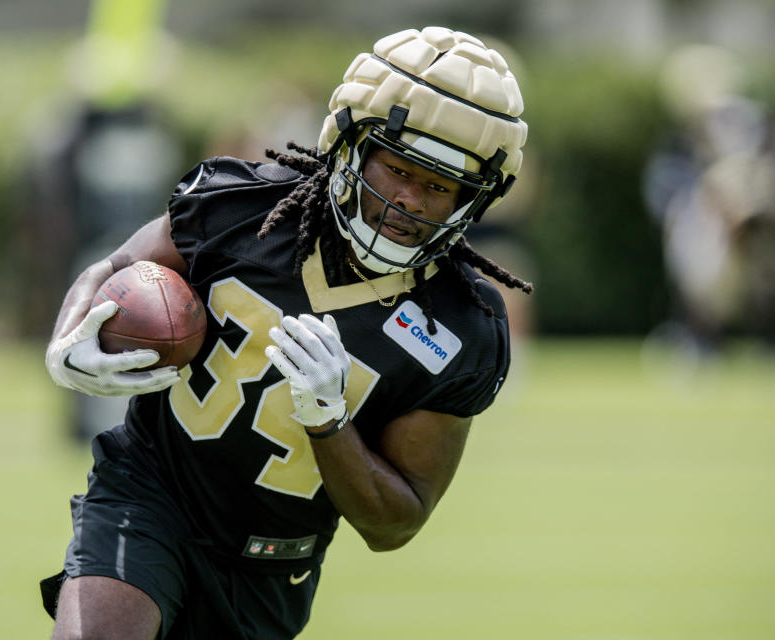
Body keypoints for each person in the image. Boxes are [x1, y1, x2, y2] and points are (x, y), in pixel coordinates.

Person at [40, 26, 532, 640]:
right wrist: (68, 343)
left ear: (475, 198)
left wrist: (330, 420)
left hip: (271, 563)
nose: (409, 200)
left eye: (440, 186)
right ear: (348, 143)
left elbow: (394, 524)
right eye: (398, 167)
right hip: (148, 492)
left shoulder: (462, 327)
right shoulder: (239, 207)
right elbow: (112, 270)